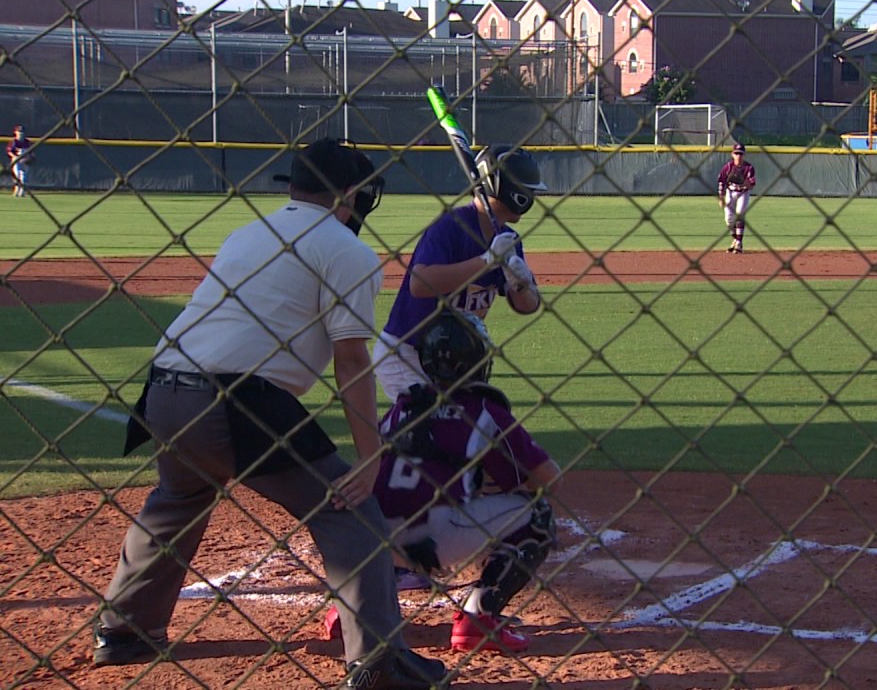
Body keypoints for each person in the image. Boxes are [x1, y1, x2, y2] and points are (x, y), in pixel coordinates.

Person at [100, 139, 448, 689]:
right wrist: (369, 457)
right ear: (351, 194)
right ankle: (379, 663)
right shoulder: (346, 250)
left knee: (179, 497)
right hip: (236, 401)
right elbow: (351, 359)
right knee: (350, 512)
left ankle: (124, 631)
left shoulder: (248, 233)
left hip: (163, 393)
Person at [327, 311, 562, 655]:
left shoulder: (403, 406)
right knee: (537, 515)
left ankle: (351, 608)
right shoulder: (483, 410)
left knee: (393, 501)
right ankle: (478, 618)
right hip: (435, 537)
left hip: (372, 537)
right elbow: (548, 479)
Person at [374, 145, 545, 404]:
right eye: (528, 190)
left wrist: (520, 282)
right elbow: (419, 284)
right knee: (433, 434)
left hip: (455, 361)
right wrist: (487, 261)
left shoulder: (508, 239)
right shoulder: (451, 226)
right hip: (407, 353)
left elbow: (527, 307)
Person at [716, 142, 756, 254]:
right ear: (732, 154)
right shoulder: (728, 167)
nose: (738, 156)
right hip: (730, 192)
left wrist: (744, 183)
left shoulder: (749, 168)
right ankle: (736, 239)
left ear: (744, 155)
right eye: (736, 153)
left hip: (743, 193)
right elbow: (721, 181)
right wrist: (721, 197)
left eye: (741, 154)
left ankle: (738, 243)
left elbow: (752, 184)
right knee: (729, 220)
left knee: (739, 214)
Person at [7, 125, 32, 197]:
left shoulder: (27, 142)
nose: (21, 133)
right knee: (17, 176)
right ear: (15, 132)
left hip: (25, 161)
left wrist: (27, 159)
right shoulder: (13, 142)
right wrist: (16, 157)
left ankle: (22, 191)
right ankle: (16, 190)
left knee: (23, 177)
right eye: (19, 131)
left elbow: (31, 153)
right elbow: (9, 152)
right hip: (16, 161)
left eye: (22, 132)